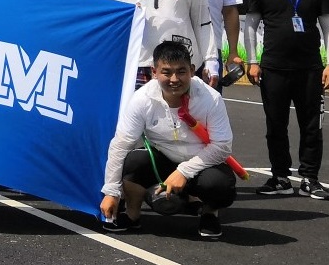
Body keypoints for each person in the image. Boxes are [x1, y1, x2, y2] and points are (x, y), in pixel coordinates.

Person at [99, 41, 236, 238]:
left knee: (219, 183)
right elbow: (121, 145)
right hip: (162, 160)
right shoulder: (142, 99)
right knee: (133, 161)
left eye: (181, 72)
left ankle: (209, 214)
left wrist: (183, 172)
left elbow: (222, 146)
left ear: (192, 70)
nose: (174, 79)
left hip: (200, 163)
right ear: (154, 72)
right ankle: (132, 214)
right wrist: (111, 192)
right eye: (166, 72)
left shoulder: (210, 98)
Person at [245, 0, 329, 200]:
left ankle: (310, 179)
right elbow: (250, 26)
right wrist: (253, 61)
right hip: (273, 69)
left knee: (312, 126)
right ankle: (280, 178)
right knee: (276, 125)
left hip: (310, 69)